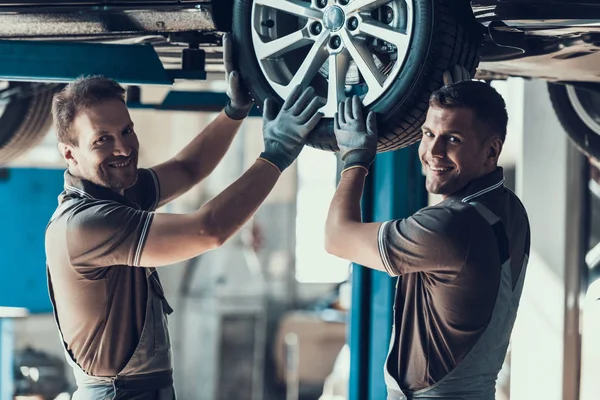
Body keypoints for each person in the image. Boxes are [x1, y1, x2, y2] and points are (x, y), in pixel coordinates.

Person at [44, 32, 326, 400]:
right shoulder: (86, 224)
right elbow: (208, 230)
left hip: (144, 389)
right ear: (69, 154)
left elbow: (188, 168)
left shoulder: (119, 192)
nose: (124, 148)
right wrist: (277, 153)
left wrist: (234, 111)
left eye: (126, 131)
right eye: (102, 139)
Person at [324, 67, 531, 400]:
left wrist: (354, 159)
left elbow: (336, 238)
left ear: (491, 151)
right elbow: (455, 206)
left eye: (453, 139)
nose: (433, 152)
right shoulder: (509, 209)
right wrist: (459, 105)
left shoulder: (450, 228)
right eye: (428, 133)